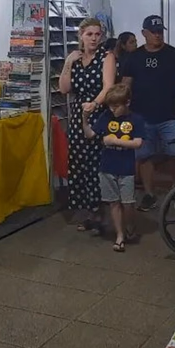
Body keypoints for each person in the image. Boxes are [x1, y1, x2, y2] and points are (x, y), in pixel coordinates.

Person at [120, 15, 175, 211]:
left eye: (160, 31)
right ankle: (150, 193)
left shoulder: (174, 54)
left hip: (169, 115)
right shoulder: (134, 57)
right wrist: (123, 110)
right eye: (154, 32)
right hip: (141, 116)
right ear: (144, 33)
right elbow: (126, 85)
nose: (158, 35)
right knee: (144, 156)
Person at [59, 18, 116, 229]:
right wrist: (68, 62)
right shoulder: (75, 58)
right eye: (89, 34)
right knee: (78, 163)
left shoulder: (106, 57)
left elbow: (108, 87)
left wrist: (94, 104)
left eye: (97, 34)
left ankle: (101, 212)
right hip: (77, 115)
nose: (94, 38)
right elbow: (64, 88)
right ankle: (87, 212)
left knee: (96, 164)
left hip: (98, 114)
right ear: (81, 35)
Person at [82, 83, 145, 252]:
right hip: (107, 165)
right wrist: (85, 118)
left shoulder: (136, 119)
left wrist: (114, 141)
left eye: (116, 106)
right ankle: (120, 235)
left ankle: (130, 225)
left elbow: (138, 143)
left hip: (126, 167)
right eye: (110, 106)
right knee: (113, 203)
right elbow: (90, 134)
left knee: (128, 203)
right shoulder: (106, 116)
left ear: (127, 103)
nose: (112, 110)